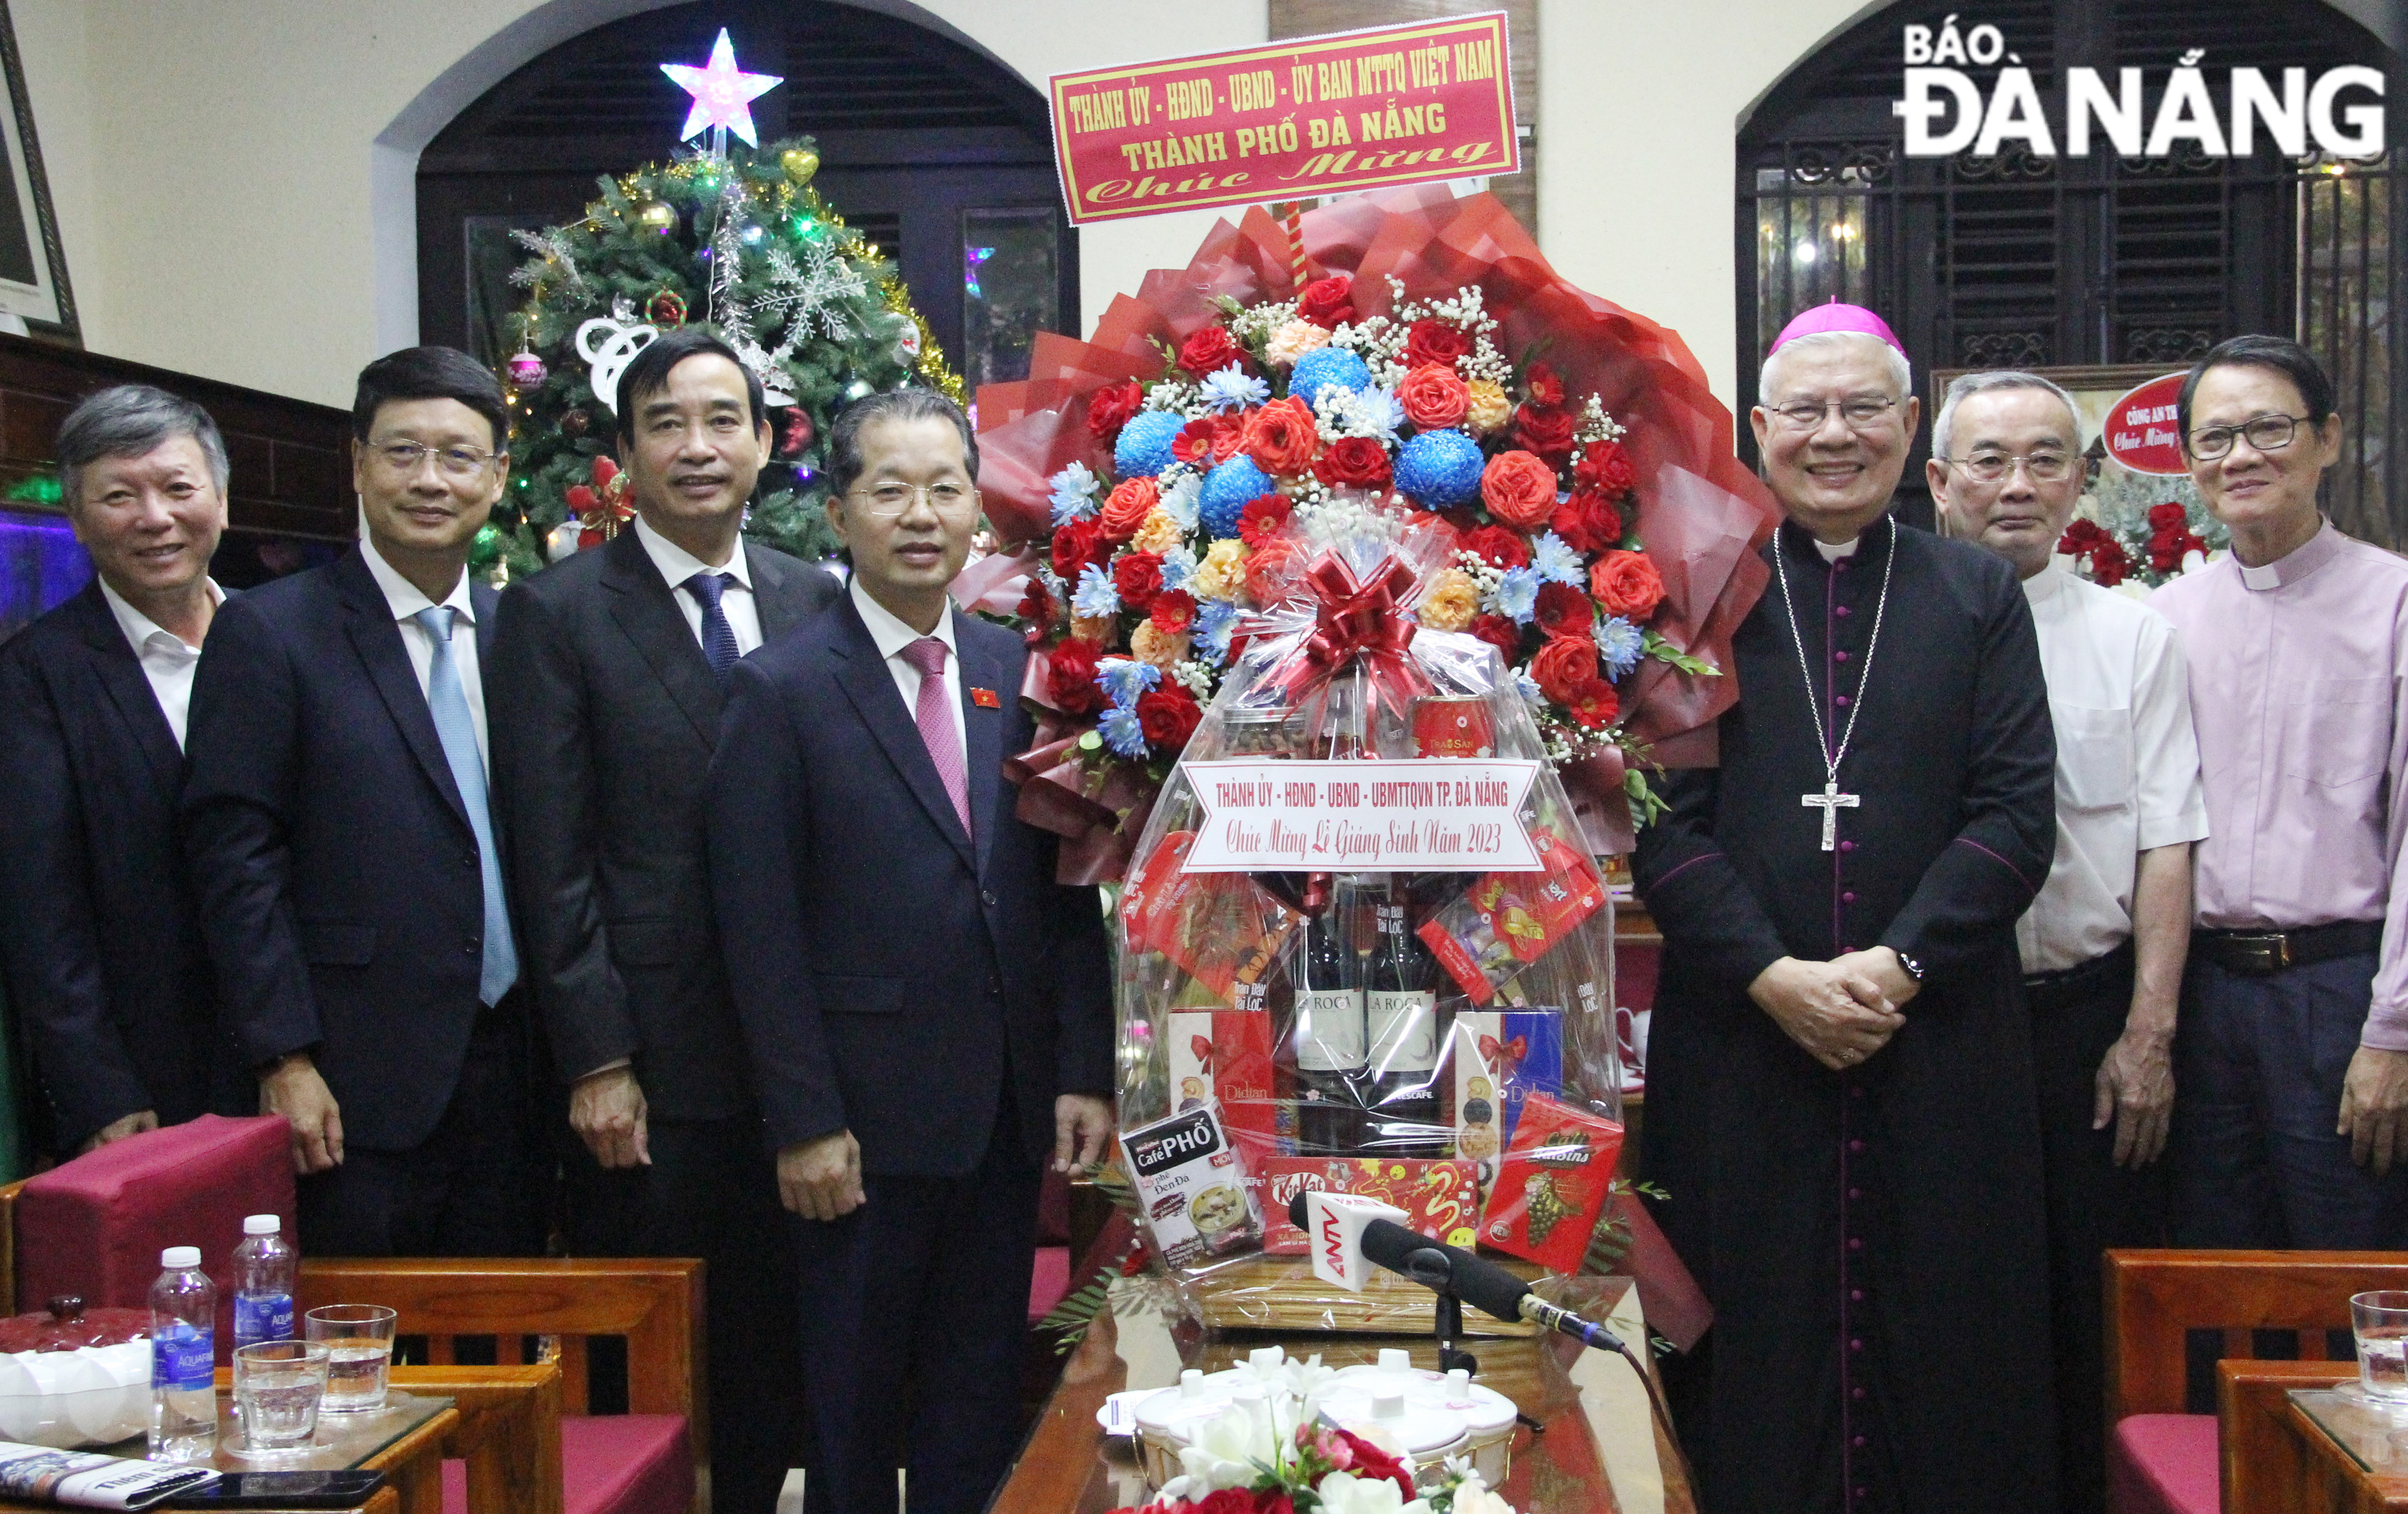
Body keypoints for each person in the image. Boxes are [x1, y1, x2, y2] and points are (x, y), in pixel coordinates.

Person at [1632, 303, 2061, 1513]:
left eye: (1864, 407)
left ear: (1909, 425)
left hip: (1934, 1045)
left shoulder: (1974, 591)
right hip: (1742, 1047)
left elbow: (2016, 815)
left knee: (1949, 1353)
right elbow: (1661, 822)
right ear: (1759, 430)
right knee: (1750, 1350)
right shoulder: (1694, 590)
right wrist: (1775, 977)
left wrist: (1899, 965)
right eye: (1806, 412)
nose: (1836, 435)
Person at [707, 388, 1113, 1514]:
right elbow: (756, 924)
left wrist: (1081, 1066)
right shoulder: (778, 689)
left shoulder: (1015, 671)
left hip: (999, 1113)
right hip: (856, 1130)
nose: (920, 514)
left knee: (974, 1400)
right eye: (890, 490)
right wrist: (803, 1119)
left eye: (945, 489)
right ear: (838, 512)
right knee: (851, 1407)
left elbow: (1062, 885)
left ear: (976, 511)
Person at [489, 327, 838, 1514]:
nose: (698, 447)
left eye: (722, 420)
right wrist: (597, 1058)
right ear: (627, 448)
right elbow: (552, 860)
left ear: (764, 441)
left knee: (779, 1351)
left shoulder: (814, 596)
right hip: (652, 1061)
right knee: (661, 1367)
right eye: (667, 424)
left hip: (800, 1057)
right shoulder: (556, 613)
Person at [183, 346, 541, 1257]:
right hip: (353, 1078)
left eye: (459, 457)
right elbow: (235, 856)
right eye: (402, 451)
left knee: (504, 1349)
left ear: (498, 476)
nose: (431, 479)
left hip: (518, 1070)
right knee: (364, 1349)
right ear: (356, 464)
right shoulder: (270, 631)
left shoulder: (525, 634)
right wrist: (284, 1057)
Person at [1929, 369, 2207, 1514]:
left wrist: (2148, 1034)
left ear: (2083, 480)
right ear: (1938, 481)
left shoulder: (2135, 639)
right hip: (1942, 1020)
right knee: (1958, 1305)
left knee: (2092, 1308)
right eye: (1987, 461)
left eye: (2046, 459)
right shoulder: (1894, 640)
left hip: (2082, 1020)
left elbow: (2166, 842)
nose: (2016, 485)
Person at [2151, 334, 2408, 1248]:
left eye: (2269, 429)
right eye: (2215, 439)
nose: (2242, 457)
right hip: (2204, 996)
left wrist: (2394, 1032)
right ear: (2188, 464)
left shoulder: (2393, 603)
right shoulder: (2165, 619)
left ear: (2328, 438)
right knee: (2207, 1276)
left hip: (2341, 992)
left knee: (2348, 1275)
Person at [0, 385, 238, 1156]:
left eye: (177, 488)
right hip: (151, 1078)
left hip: (320, 1067)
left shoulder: (286, 638)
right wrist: (97, 1085)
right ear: (76, 518)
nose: (155, 518)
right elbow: (41, 909)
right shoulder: (38, 675)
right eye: (118, 496)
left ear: (221, 499)